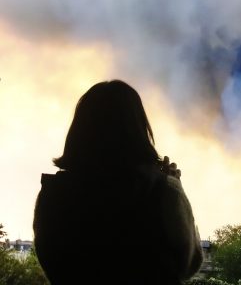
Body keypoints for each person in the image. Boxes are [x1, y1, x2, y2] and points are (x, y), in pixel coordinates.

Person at [33, 80, 203, 284]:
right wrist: (174, 185)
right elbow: (189, 262)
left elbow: (51, 262)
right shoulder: (161, 190)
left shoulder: (53, 194)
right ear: (139, 128)